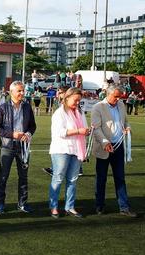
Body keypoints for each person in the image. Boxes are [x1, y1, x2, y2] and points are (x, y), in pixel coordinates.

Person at [91, 85, 137, 217]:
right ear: (108, 94)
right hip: (104, 148)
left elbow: (126, 122)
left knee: (120, 178)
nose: (118, 99)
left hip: (119, 146)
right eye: (116, 96)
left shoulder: (121, 105)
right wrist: (105, 142)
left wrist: (128, 128)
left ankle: (124, 207)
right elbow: (96, 128)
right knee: (101, 178)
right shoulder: (98, 107)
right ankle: (99, 206)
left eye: (120, 96)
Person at [0, 81, 37, 214]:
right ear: (11, 92)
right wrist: (12, 135)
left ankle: (22, 203)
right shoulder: (2, 108)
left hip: (23, 147)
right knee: (3, 176)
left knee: (23, 176)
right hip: (7, 147)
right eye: (19, 91)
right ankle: (0, 204)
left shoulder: (27, 107)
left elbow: (32, 126)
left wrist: (28, 133)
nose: (22, 93)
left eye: (23, 90)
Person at [49, 88, 90, 219]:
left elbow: (84, 127)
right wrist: (79, 131)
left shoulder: (80, 113)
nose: (77, 103)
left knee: (73, 179)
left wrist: (87, 131)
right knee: (58, 178)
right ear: (67, 98)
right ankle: (54, 207)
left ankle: (70, 207)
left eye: (79, 100)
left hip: (76, 150)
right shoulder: (59, 113)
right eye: (75, 100)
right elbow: (60, 132)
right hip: (61, 150)